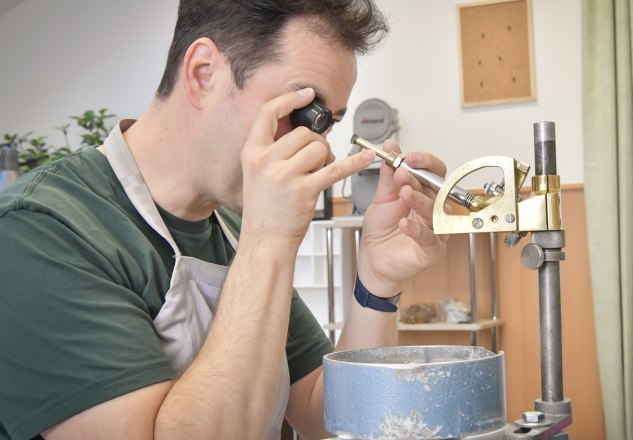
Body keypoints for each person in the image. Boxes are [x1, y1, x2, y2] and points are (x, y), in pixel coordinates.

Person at [0, 1, 449, 439]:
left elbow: (329, 418)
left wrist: (377, 283)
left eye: (325, 124)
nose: (319, 152)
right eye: (301, 115)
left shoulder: (234, 230)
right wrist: (267, 244)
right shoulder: (41, 232)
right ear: (203, 73)